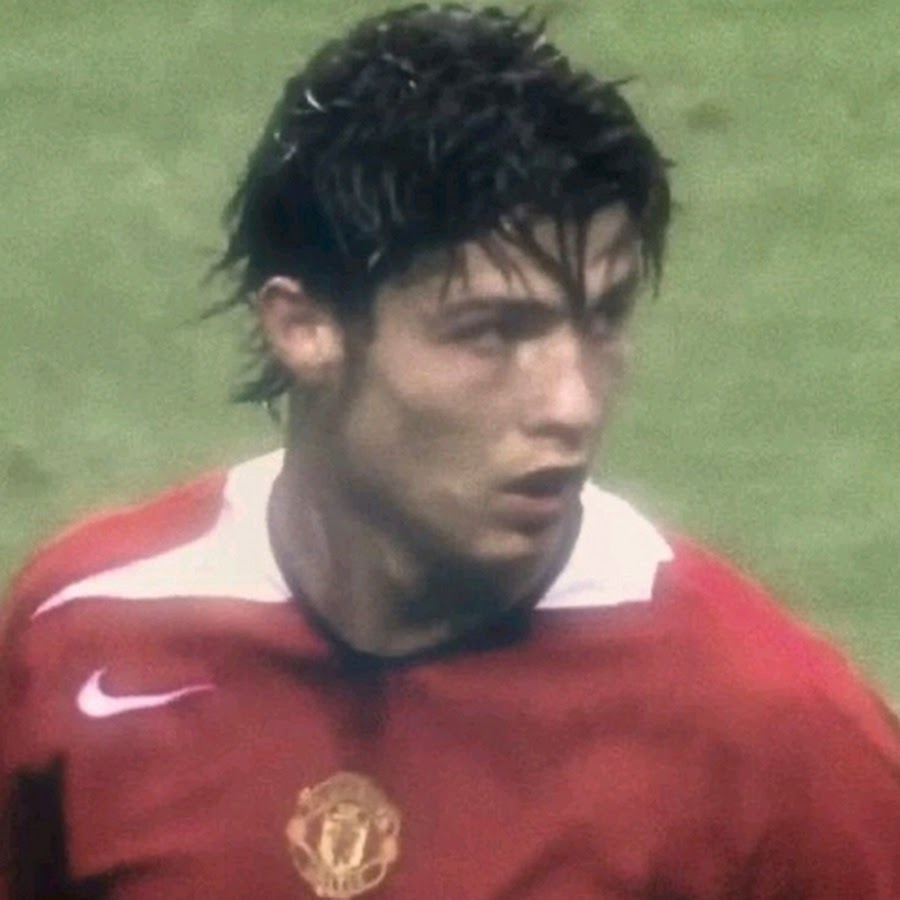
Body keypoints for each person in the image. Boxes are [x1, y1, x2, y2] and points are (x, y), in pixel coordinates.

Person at [2, 5, 898, 898]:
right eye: (492, 333)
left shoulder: (764, 724)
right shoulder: (85, 630)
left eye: (603, 320)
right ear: (304, 326)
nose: (573, 406)